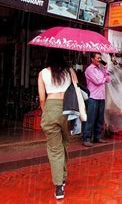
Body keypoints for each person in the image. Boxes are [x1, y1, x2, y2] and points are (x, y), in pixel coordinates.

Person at [38, 49, 79, 200]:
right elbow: (76, 89)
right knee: (64, 145)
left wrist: (47, 112)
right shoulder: (69, 71)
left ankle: (59, 186)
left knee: (55, 149)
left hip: (50, 107)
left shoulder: (43, 73)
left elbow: (42, 99)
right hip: (68, 109)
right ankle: (62, 176)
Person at [83, 52, 110, 147]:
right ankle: (86, 138)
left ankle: (97, 137)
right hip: (93, 97)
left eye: (100, 58)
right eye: (98, 58)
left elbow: (108, 79)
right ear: (92, 59)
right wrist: (104, 77)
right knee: (91, 119)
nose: (99, 60)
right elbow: (98, 81)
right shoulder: (89, 70)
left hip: (101, 97)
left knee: (99, 119)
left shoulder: (100, 69)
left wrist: (105, 71)